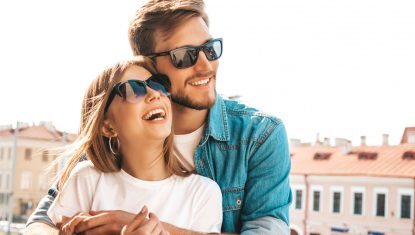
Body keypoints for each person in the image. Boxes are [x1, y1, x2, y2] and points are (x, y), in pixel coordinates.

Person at [25, 0, 292, 234]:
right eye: (184, 56)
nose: (206, 66)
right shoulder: (118, 136)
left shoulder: (261, 135)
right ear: (147, 65)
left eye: (210, 49)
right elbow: (41, 221)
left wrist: (141, 226)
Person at [46, 57, 222, 235]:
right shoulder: (86, 179)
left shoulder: (203, 193)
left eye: (158, 84)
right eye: (134, 89)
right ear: (107, 126)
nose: (155, 93)